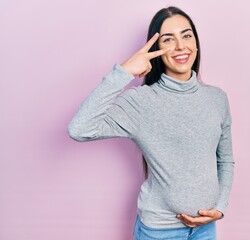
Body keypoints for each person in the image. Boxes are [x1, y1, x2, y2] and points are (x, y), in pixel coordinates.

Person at [68, 6, 234, 240]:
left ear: (195, 42)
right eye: (168, 39)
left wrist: (220, 208)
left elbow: (225, 159)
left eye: (186, 35)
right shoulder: (140, 102)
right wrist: (124, 71)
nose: (180, 46)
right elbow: (79, 128)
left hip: (206, 229)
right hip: (160, 231)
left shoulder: (217, 98)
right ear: (156, 49)